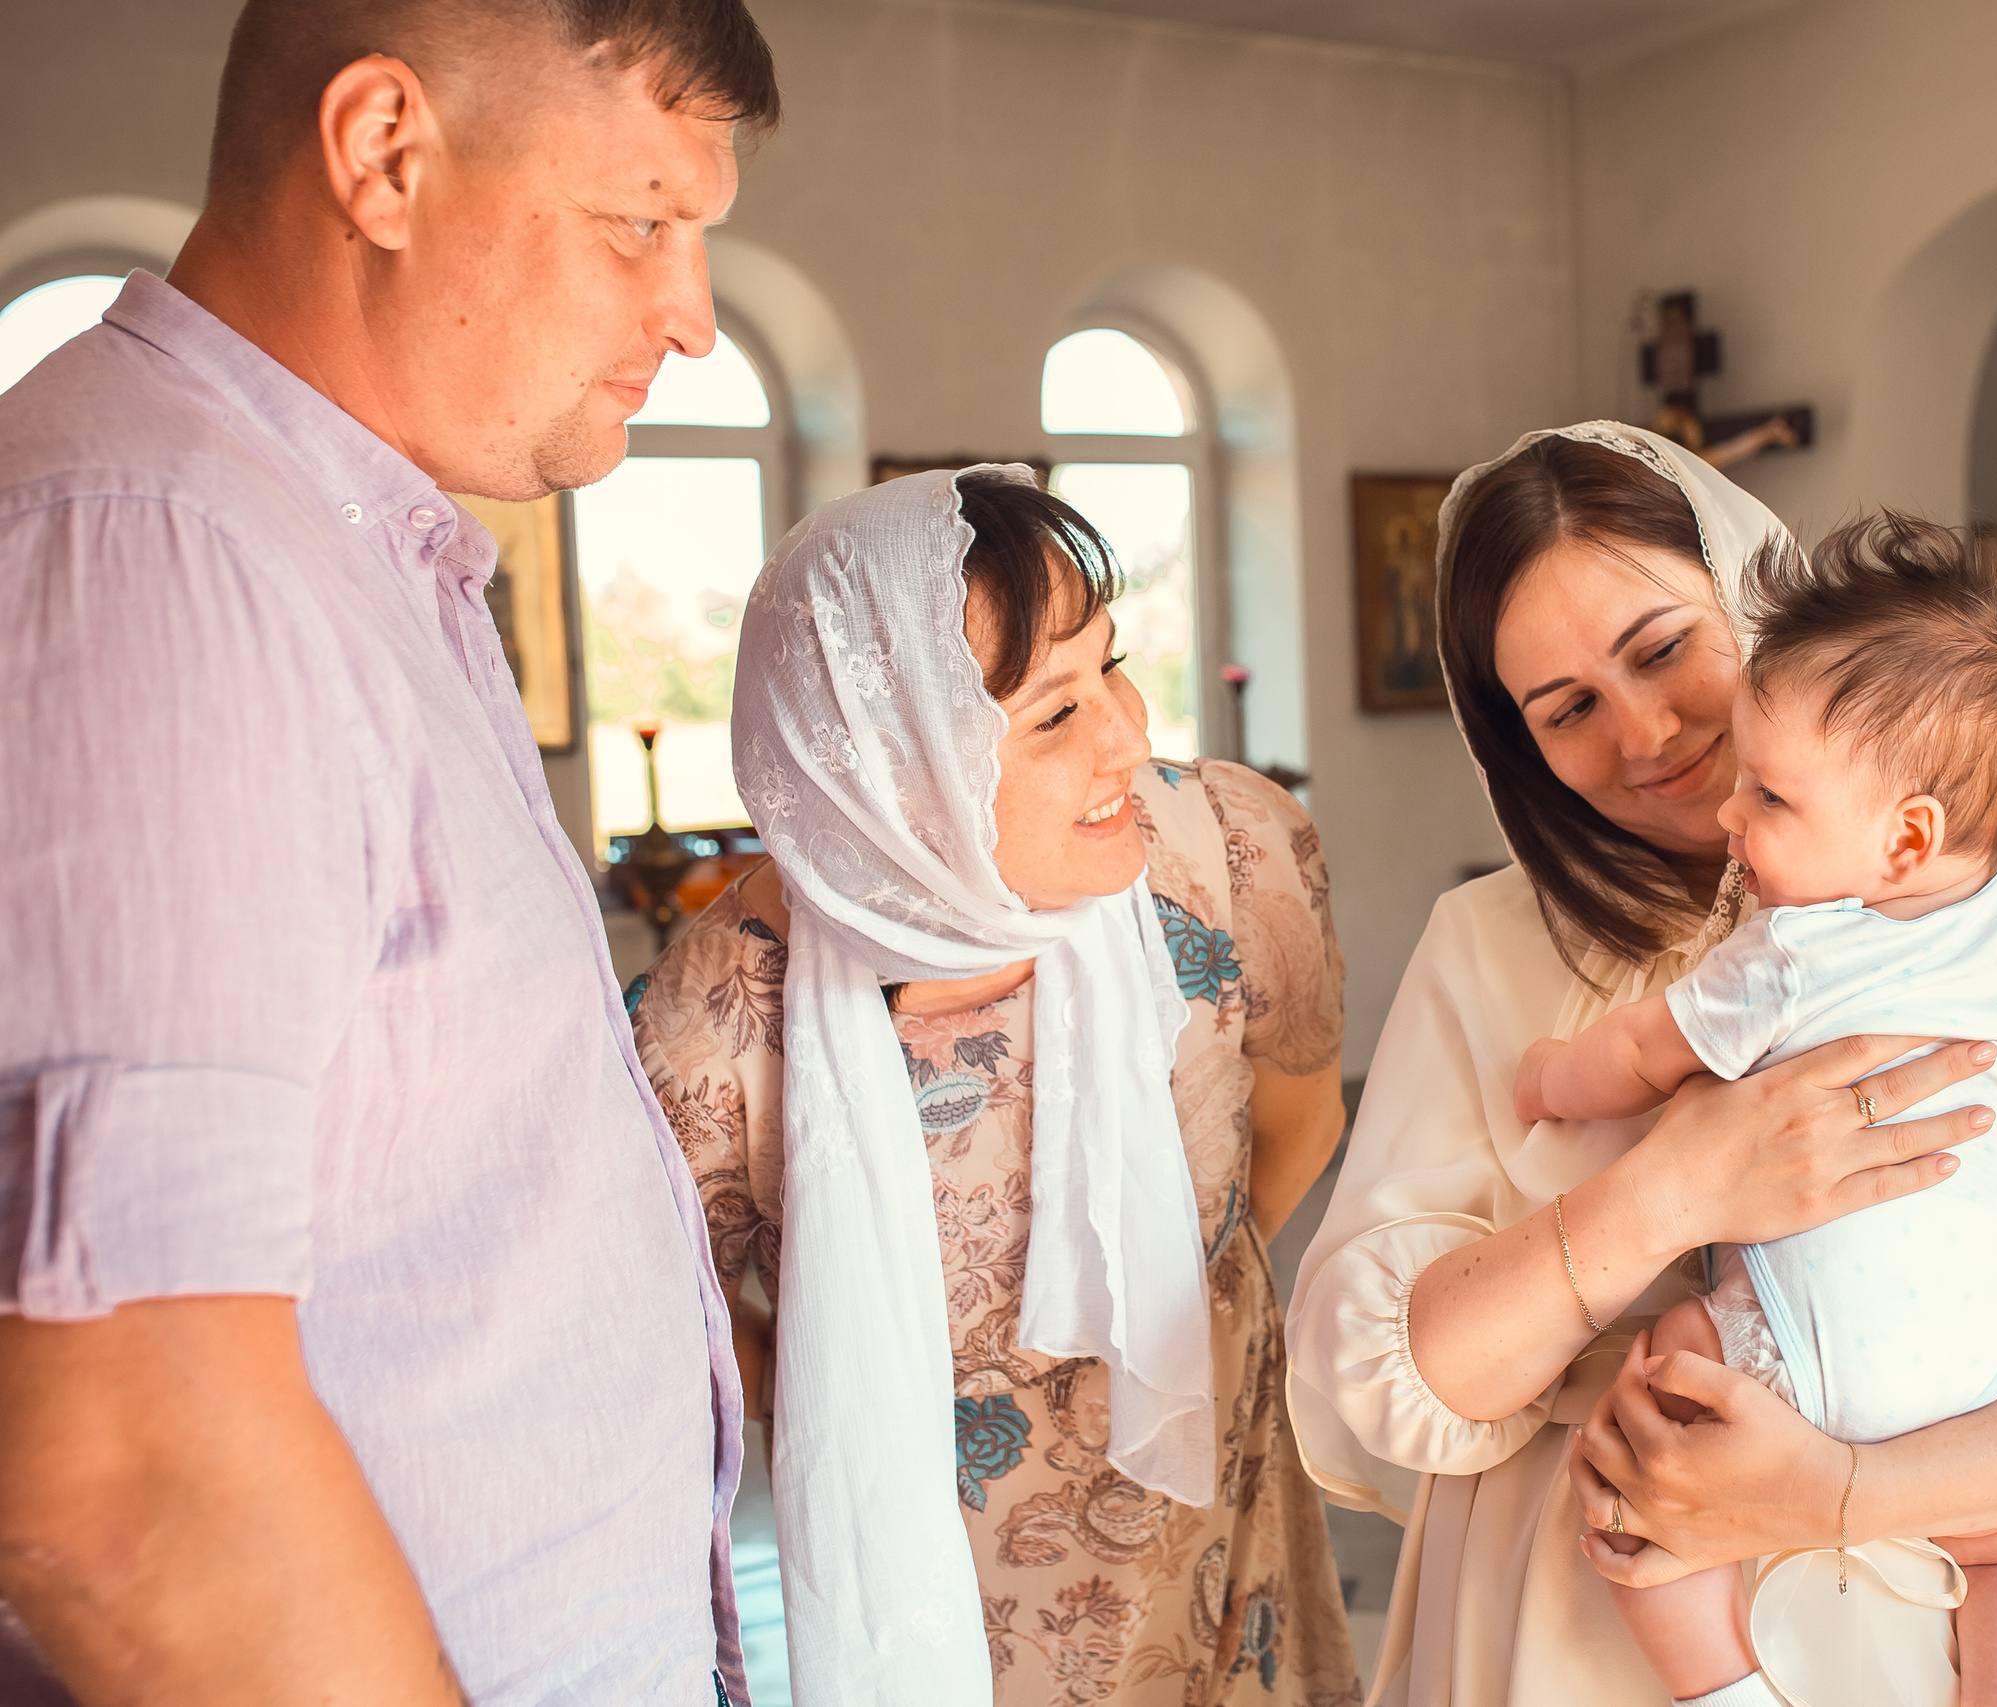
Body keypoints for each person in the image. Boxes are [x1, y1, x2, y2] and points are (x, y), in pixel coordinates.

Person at [1284, 422, 1997, 1707]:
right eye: (1567, 710)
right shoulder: (1484, 945)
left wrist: (1843, 1491)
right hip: (1576, 1633)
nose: (1649, 731)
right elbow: (1393, 1379)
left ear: (1747, 597)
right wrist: (1670, 1193)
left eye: (1662, 647)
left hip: (1941, 1606)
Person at [0, 3, 777, 1703]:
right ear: (384, 155)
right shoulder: (162, 548)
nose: (694, 317)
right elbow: (126, 1467)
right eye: (642, 221)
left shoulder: (344, 544)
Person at [629, 467, 1362, 1707]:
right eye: (1057, 714)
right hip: (949, 1594)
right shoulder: (726, 1015)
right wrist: (868, 1401)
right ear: (895, 766)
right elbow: (676, 1331)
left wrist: (1170, 1323)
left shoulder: (1229, 854)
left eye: (1112, 668)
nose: (1130, 734)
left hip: (1215, 1528)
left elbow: (1299, 1120)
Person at [1514, 515, 1997, 1706]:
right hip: (1987, 1375)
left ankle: (1725, 1690)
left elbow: (1641, 1050)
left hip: (1799, 1358)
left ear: (1907, 836)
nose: (1734, 815)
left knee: (1637, 1462)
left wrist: (1548, 1078)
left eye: (1768, 796)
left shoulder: (1792, 952)